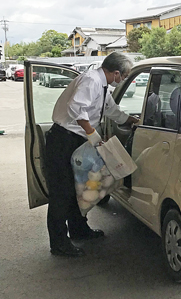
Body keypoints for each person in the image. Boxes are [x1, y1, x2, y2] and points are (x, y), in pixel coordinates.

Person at [45, 52, 139, 257]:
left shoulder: (103, 85)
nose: (123, 79)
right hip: (64, 139)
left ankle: (79, 229)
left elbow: (112, 111)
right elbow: (77, 109)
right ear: (116, 73)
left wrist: (133, 121)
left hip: (77, 139)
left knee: (80, 187)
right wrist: (94, 138)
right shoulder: (91, 80)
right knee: (62, 193)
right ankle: (59, 243)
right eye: (124, 75)